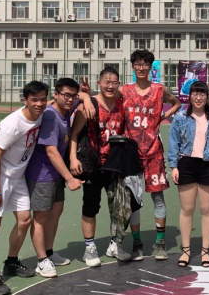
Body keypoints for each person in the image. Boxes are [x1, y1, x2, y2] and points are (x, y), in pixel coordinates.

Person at [0, 81, 49, 295]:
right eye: (34, 100)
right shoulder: (12, 124)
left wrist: (84, 96)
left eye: (43, 99)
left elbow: (59, 101)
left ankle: (11, 262)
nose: (39, 104)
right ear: (25, 100)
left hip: (18, 176)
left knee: (24, 220)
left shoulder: (41, 112)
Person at [25, 78, 95, 277]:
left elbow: (81, 95)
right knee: (40, 218)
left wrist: (86, 98)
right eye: (66, 95)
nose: (70, 99)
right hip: (42, 175)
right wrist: (70, 178)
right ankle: (41, 260)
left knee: (55, 213)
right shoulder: (50, 116)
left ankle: (48, 252)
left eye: (73, 96)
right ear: (55, 95)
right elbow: (51, 151)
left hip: (55, 174)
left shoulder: (65, 109)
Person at [69, 67, 134, 267]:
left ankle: (115, 244)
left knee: (121, 207)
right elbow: (74, 134)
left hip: (115, 165)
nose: (110, 86)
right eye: (107, 82)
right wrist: (73, 158)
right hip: (93, 164)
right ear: (100, 83)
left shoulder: (121, 105)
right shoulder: (89, 106)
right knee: (90, 207)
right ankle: (89, 248)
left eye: (114, 82)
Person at [121, 49, 181, 261]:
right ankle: (137, 243)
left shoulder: (158, 89)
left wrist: (162, 116)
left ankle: (160, 242)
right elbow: (104, 99)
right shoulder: (125, 90)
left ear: (150, 67)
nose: (141, 67)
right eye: (137, 64)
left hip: (154, 152)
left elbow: (177, 103)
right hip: (131, 154)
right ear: (132, 66)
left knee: (158, 198)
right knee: (134, 200)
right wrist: (84, 94)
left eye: (145, 64)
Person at [167, 81, 209, 268]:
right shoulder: (180, 118)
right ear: (190, 96)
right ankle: (186, 250)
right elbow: (173, 143)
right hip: (186, 164)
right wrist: (174, 166)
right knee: (187, 209)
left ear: (207, 97)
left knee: (207, 209)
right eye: (195, 93)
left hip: (208, 165)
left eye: (202, 94)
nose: (199, 97)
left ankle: (205, 251)